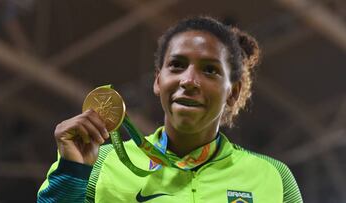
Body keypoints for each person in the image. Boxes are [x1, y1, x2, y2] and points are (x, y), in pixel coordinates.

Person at [37, 16, 303, 203]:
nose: (188, 80)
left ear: (232, 93)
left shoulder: (274, 178)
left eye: (210, 70)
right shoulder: (100, 163)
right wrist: (71, 174)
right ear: (158, 81)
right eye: (177, 65)